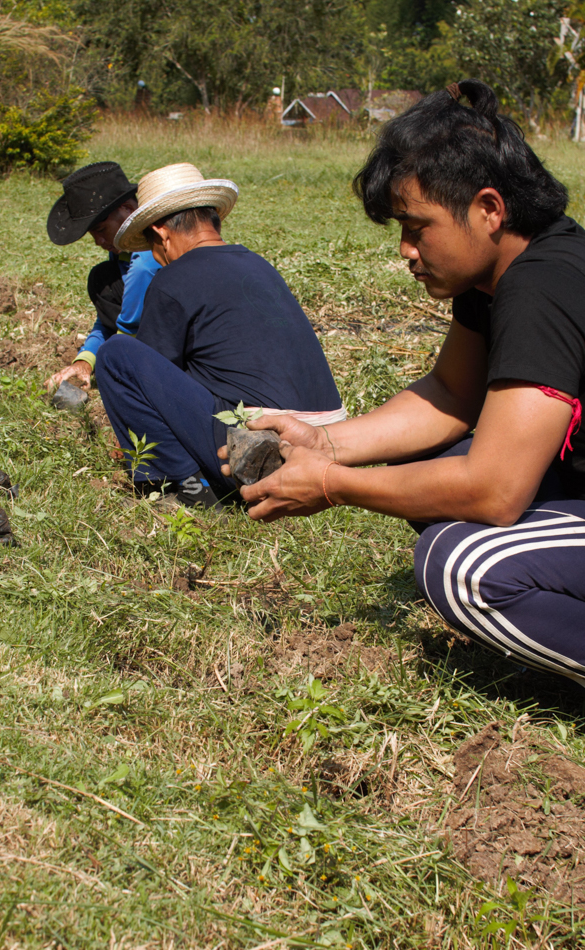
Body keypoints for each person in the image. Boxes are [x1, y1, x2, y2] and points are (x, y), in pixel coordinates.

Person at [224, 79, 585, 686]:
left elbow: (495, 490)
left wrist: (333, 486)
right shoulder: (496, 275)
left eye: (418, 228)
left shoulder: (543, 288)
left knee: (460, 564)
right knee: (441, 463)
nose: (406, 251)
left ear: (489, 209)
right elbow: (450, 394)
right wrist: (324, 444)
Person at [98, 162, 344, 509]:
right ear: (214, 219)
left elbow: (154, 380)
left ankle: (186, 486)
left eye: (152, 245)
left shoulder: (171, 280)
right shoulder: (258, 263)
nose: (156, 256)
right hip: (330, 439)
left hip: (258, 444)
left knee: (117, 355)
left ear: (162, 234)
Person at [45, 162, 161, 391]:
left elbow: (126, 328)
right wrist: (85, 361)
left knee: (101, 280)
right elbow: (111, 321)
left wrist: (113, 360)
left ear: (128, 209)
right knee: (104, 279)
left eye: (100, 229)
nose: (98, 241)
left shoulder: (145, 263)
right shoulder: (121, 256)